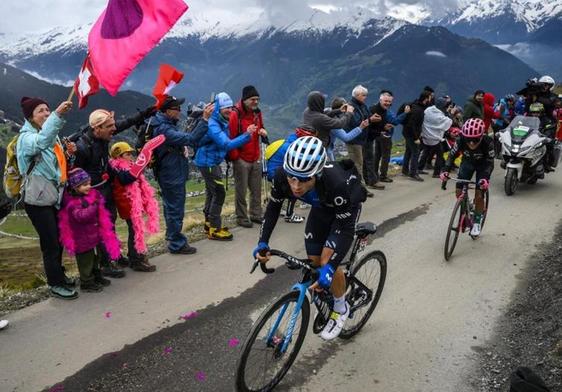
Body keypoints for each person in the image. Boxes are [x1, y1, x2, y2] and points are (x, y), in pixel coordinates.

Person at [253, 136, 367, 340]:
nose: (296, 186)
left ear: (318, 174)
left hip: (345, 210)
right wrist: (263, 242)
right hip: (321, 208)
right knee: (314, 262)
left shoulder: (336, 184)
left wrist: (330, 268)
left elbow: (345, 229)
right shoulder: (281, 176)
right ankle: (327, 293)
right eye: (292, 177)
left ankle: (341, 307)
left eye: (305, 179)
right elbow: (272, 210)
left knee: (325, 262)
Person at [74, 107, 154, 276]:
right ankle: (105, 264)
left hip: (105, 185)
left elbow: (125, 123)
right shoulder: (82, 147)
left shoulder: (101, 134)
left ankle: (113, 256)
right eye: (110, 126)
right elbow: (75, 175)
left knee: (110, 222)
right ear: (97, 129)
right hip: (93, 191)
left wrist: (144, 113)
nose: (114, 128)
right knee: (102, 225)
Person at [16, 97, 77, 300]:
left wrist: (69, 156)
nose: (46, 113)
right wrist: (58, 114)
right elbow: (41, 142)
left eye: (48, 109)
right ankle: (55, 283)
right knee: (50, 243)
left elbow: (55, 164)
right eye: (41, 111)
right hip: (38, 201)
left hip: (53, 197)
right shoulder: (26, 138)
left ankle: (58, 275)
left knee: (58, 240)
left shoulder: (51, 136)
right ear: (30, 117)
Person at [195, 92, 263, 241]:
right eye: (225, 107)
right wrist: (247, 135)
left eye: (230, 107)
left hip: (211, 162)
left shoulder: (221, 120)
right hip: (208, 164)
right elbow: (226, 144)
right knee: (219, 193)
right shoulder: (213, 125)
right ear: (218, 108)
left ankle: (209, 224)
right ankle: (215, 228)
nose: (229, 110)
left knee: (211, 193)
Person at [150, 95, 213, 253]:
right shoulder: (164, 129)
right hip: (171, 173)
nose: (179, 111)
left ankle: (171, 236)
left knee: (170, 207)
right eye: (176, 109)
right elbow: (190, 138)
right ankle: (176, 243)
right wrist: (204, 119)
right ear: (167, 111)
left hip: (169, 171)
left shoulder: (163, 123)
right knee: (175, 209)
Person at [58, 168, 120, 292]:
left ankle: (96, 275)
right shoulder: (72, 203)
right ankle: (86, 282)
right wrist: (94, 207)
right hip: (82, 239)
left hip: (93, 236)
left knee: (95, 258)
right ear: (75, 187)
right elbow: (81, 216)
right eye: (85, 185)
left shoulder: (89, 196)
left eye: (89, 184)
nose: (89, 187)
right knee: (85, 261)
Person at [109, 142, 162, 272]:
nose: (131, 156)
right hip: (128, 205)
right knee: (135, 230)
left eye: (131, 154)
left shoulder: (128, 165)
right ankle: (135, 259)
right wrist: (140, 164)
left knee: (137, 230)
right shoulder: (117, 168)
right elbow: (127, 179)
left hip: (133, 203)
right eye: (127, 154)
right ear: (118, 156)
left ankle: (137, 255)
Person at [440, 118, 494, 237]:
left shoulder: (488, 142)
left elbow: (490, 163)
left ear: (481, 136)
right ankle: (466, 205)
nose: (471, 143)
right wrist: (445, 171)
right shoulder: (460, 140)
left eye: (475, 140)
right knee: (459, 191)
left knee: (479, 194)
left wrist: (485, 179)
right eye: (469, 140)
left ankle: (477, 221)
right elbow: (451, 157)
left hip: (483, 165)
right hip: (467, 163)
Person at [228, 85, 267, 228]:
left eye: (257, 99)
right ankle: (242, 217)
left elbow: (261, 126)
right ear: (245, 100)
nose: (255, 102)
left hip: (255, 156)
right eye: (252, 99)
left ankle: (256, 214)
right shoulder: (235, 114)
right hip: (241, 159)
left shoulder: (257, 113)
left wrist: (262, 130)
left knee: (256, 189)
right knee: (241, 190)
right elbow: (231, 138)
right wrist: (236, 158)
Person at [369, 90, 410, 183]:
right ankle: (383, 176)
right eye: (386, 101)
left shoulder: (375, 107)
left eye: (389, 101)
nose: (387, 103)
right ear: (381, 100)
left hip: (377, 135)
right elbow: (394, 121)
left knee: (377, 155)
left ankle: (375, 173)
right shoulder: (386, 111)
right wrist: (405, 113)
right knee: (385, 156)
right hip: (385, 135)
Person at [402, 90, 433, 181]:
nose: (430, 100)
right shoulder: (418, 110)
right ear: (426, 99)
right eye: (430, 98)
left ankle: (405, 170)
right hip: (411, 134)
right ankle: (413, 173)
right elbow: (412, 124)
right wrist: (416, 137)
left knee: (408, 151)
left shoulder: (415, 105)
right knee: (416, 152)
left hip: (406, 132)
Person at [419, 97, 453, 177]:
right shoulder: (440, 116)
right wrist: (449, 113)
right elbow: (448, 123)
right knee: (440, 155)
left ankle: (419, 168)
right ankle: (436, 173)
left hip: (425, 135)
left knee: (426, 152)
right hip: (435, 138)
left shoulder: (428, 110)